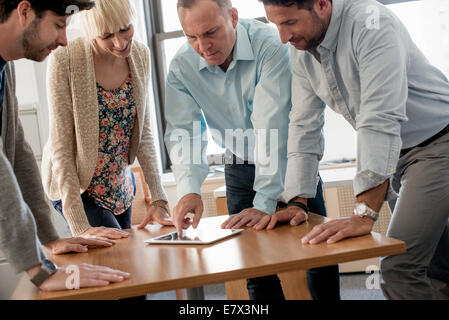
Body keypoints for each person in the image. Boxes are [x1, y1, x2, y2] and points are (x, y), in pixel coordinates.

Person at [261, 0, 449, 299]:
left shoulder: (372, 24)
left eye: (290, 23)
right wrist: (296, 201)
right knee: (437, 265)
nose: (283, 36)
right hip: (398, 156)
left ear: (322, 4)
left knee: (399, 267)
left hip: (438, 144)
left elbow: (380, 117)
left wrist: (363, 213)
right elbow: (303, 125)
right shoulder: (302, 49)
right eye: (276, 25)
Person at [164, 0, 340, 300]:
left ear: (233, 17)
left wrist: (266, 200)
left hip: (288, 160)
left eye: (211, 32)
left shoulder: (270, 46)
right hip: (238, 165)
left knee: (318, 252)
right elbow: (185, 133)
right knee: (255, 267)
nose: (203, 46)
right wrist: (189, 190)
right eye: (192, 37)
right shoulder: (181, 67)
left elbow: (271, 125)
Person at [0, 0, 129, 292]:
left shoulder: (5, 67)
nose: (63, 40)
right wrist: (40, 271)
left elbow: (18, 153)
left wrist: (49, 237)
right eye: (59, 25)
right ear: (24, 12)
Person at [41, 0, 173, 240]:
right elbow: (61, 147)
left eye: (125, 29)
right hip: (79, 189)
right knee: (114, 258)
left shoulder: (140, 55)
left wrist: (159, 199)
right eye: (106, 36)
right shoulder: (65, 60)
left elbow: (143, 134)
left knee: (128, 265)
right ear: (91, 33)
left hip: (120, 186)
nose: (120, 43)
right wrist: (80, 225)